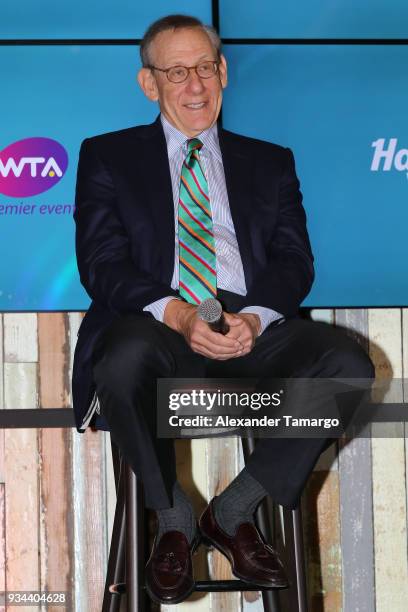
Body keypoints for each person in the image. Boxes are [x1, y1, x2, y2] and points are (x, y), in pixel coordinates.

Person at [72, 14, 374, 605]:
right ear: (148, 83)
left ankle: (233, 511)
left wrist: (257, 317)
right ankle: (174, 518)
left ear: (225, 72)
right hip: (158, 325)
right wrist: (180, 315)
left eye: (205, 68)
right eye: (177, 72)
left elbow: (294, 261)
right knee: (123, 354)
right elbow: (103, 265)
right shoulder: (107, 157)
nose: (195, 86)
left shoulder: (270, 160)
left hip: (249, 330)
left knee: (347, 364)